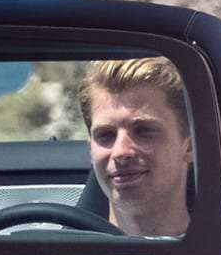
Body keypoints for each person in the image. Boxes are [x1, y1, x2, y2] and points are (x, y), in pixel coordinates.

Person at [77, 57, 193, 238]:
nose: (121, 152)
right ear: (90, 150)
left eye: (144, 131)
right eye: (105, 135)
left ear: (190, 146)